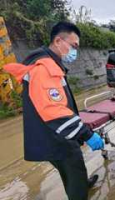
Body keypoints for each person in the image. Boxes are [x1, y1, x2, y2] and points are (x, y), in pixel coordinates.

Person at [4, 22, 104, 200]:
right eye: (74, 46)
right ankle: (79, 190)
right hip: (58, 137)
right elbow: (54, 111)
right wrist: (87, 134)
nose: (75, 51)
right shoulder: (45, 68)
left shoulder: (46, 63)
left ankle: (79, 182)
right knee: (74, 168)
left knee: (72, 171)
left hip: (53, 134)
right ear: (58, 41)